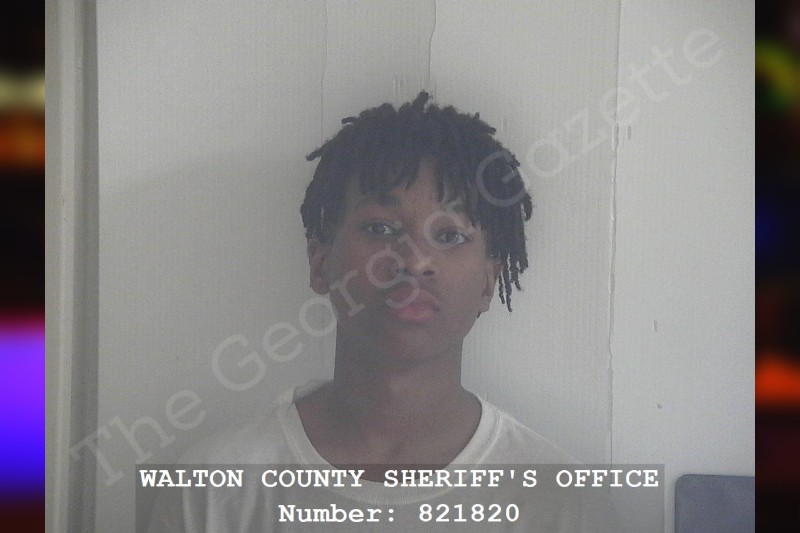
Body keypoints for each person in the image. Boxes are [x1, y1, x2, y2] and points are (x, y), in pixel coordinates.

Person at [146, 91, 620, 532]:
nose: (414, 260)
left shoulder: (562, 505)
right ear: (320, 263)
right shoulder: (211, 492)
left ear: (487, 282)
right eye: (380, 228)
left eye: (450, 235)